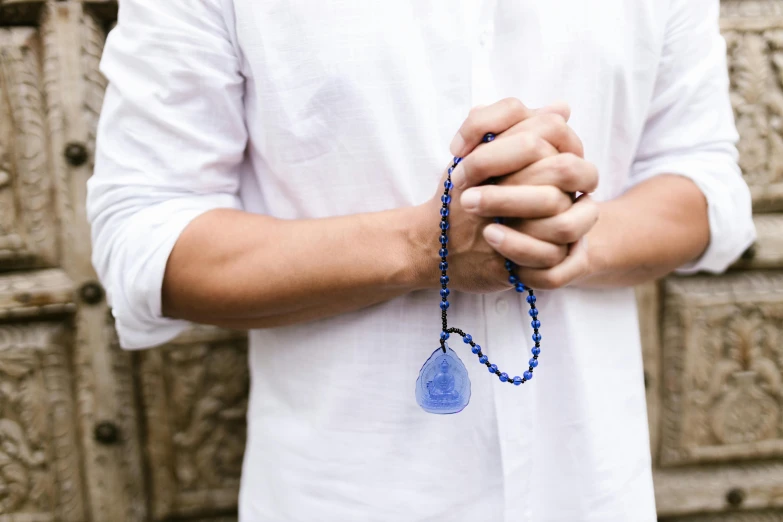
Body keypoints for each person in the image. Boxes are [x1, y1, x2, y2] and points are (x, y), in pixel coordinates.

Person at [86, 1, 756, 520]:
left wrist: (568, 236)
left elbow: (704, 183)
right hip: (346, 496)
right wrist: (423, 244)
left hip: (592, 488)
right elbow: (145, 240)